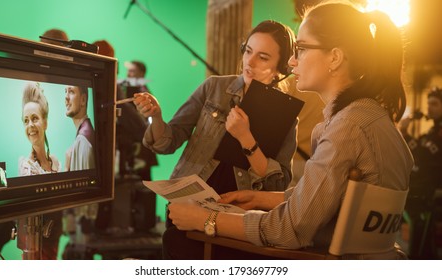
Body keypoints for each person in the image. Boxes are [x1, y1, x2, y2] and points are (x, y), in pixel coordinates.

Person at [168, 2, 414, 259]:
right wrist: (261, 199)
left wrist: (208, 219)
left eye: (302, 49)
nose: (292, 61)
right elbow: (327, 200)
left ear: (335, 57)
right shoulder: (372, 117)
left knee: (180, 241)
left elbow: (290, 229)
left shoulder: (347, 127)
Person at [134, 20, 298, 259]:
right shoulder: (214, 88)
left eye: (262, 57)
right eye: (248, 51)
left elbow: (277, 187)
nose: (249, 62)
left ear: (281, 68)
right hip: (187, 208)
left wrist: (245, 137)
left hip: (236, 223)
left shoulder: (285, 117)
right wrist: (156, 117)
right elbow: (167, 143)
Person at [0, 30, 68, 260]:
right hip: (16, 200)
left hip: (51, 208)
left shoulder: (57, 161)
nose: (30, 125)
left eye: (35, 119)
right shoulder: (19, 163)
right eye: (26, 120)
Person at [399, 87, 442, 259]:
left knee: (420, 242)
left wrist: (405, 134)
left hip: (428, 195)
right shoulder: (432, 131)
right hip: (422, 193)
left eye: (435, 104)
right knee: (422, 241)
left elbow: (421, 154)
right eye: (428, 104)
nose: (429, 107)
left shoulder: (437, 134)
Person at [62, 85, 96, 250]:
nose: (66, 98)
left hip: (82, 233)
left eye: (71, 92)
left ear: (83, 99)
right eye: (65, 92)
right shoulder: (82, 136)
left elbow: (84, 201)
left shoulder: (83, 140)